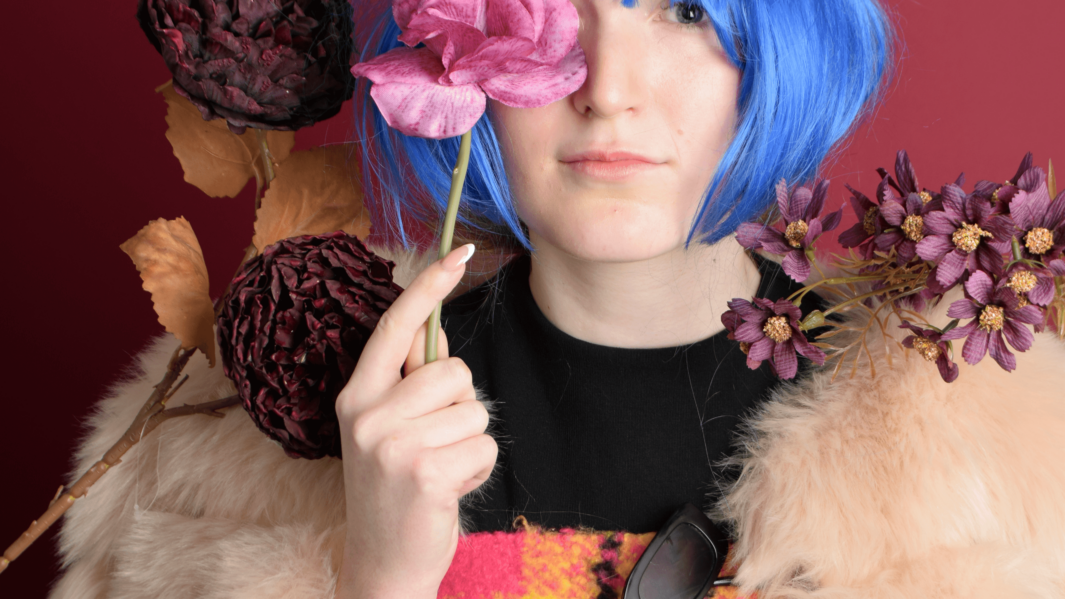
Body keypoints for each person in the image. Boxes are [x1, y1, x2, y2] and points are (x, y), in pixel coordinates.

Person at [48, 1, 1065, 598]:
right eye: (550, 5)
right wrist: (376, 583)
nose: (609, 86)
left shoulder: (1010, 461)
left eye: (684, 7)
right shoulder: (211, 462)